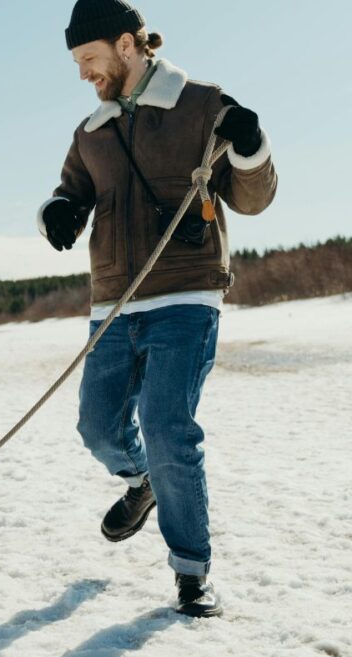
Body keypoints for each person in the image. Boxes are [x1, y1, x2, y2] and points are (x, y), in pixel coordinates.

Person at [38, 0, 277, 617]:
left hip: (186, 295)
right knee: (97, 427)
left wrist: (250, 146)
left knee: (170, 426)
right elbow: (69, 192)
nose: (83, 73)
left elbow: (252, 198)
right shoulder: (90, 132)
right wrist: (58, 214)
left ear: (125, 45)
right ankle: (142, 480)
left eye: (88, 59)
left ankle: (192, 573)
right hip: (113, 302)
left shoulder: (202, 105)